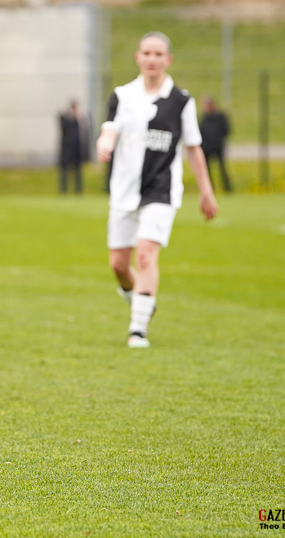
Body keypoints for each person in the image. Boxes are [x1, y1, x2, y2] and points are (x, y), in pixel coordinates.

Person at [96, 32, 217, 348]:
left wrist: (206, 191)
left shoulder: (181, 101)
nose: (152, 59)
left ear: (168, 60)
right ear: (138, 57)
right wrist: (104, 144)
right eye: (147, 53)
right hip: (125, 191)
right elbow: (109, 129)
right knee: (118, 265)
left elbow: (193, 148)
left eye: (158, 54)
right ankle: (142, 301)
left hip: (161, 190)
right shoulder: (122, 96)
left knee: (147, 253)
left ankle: (138, 330)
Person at [199, 95, 232, 192]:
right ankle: (210, 189)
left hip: (218, 147)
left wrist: (218, 140)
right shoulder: (204, 118)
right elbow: (201, 131)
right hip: (207, 148)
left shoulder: (220, 117)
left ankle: (227, 189)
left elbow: (226, 130)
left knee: (222, 169)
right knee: (207, 171)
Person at [58, 100, 90, 193]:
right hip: (67, 151)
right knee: (64, 173)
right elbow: (63, 127)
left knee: (78, 173)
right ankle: (63, 191)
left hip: (77, 150)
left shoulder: (81, 119)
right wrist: (71, 116)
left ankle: (78, 191)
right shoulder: (64, 118)